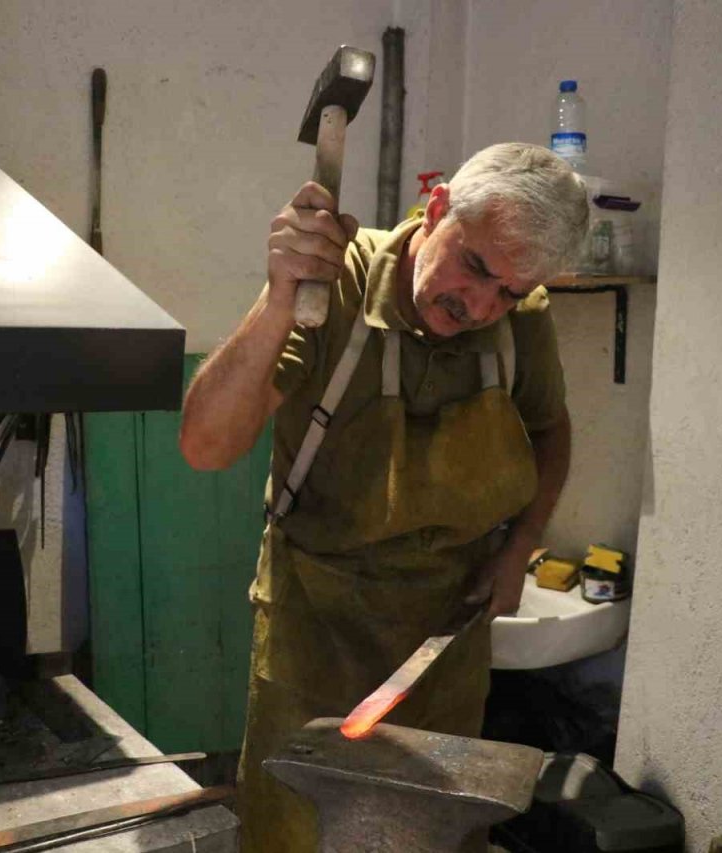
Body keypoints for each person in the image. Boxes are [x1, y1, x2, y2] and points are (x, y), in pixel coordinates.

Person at [178, 142, 589, 852]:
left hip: (447, 640)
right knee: (295, 834)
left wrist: (519, 548)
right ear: (434, 211)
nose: (480, 306)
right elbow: (206, 447)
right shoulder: (332, 285)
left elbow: (550, 431)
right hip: (315, 628)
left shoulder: (519, 321)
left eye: (509, 293)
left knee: (430, 838)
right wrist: (282, 295)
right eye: (477, 267)